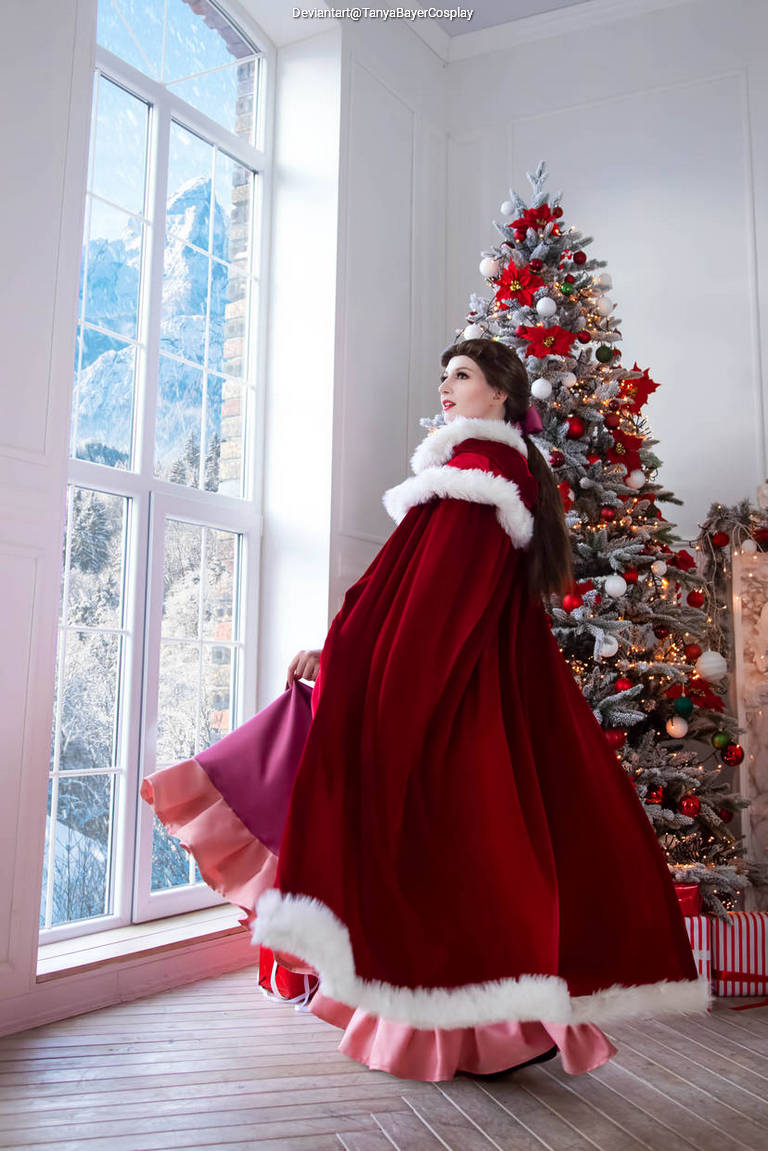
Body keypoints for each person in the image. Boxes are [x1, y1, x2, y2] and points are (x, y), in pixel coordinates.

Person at [254, 337, 710, 1082]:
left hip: (456, 695)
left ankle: (475, 1034)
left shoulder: (478, 478)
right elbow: (406, 593)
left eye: (461, 375)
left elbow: (431, 607)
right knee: (481, 864)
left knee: (455, 859)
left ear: (501, 392)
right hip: (479, 691)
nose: (446, 387)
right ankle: (488, 1034)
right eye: (443, 375)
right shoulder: (474, 473)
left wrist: (356, 663)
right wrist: (344, 647)